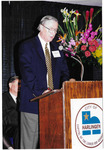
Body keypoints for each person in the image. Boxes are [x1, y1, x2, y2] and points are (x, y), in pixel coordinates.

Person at [19, 15, 70, 149]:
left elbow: (65, 71)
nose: (53, 33)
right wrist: (42, 91)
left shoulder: (57, 47)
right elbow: (26, 72)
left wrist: (65, 87)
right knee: (28, 145)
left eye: (55, 30)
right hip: (33, 102)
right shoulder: (27, 46)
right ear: (41, 27)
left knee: (52, 143)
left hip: (55, 104)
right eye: (50, 29)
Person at [3, 76, 21, 149]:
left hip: (17, 126)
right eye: (18, 84)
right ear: (10, 85)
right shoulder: (3, 98)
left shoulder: (22, 99)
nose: (20, 86)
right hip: (6, 127)